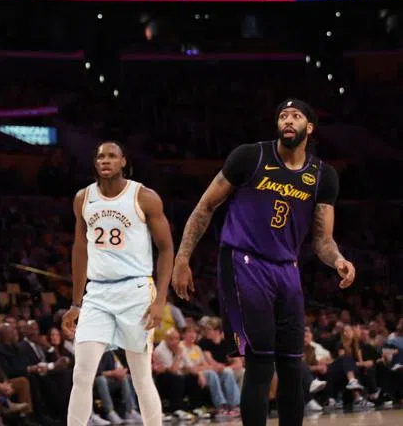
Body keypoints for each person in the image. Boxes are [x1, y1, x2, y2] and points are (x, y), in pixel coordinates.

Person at [172, 99, 356, 426]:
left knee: (291, 366)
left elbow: (323, 240)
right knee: (260, 363)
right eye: (282, 116)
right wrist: (182, 257)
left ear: (309, 128)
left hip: (288, 269)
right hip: (244, 262)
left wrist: (338, 259)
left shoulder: (322, 176)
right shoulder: (250, 156)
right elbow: (205, 206)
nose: (287, 120)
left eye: (296, 116)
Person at [63, 141, 172, 426]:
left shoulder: (144, 197)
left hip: (135, 290)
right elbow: (79, 249)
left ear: (123, 161)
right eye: (100, 156)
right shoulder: (83, 198)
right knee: (82, 373)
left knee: (140, 376)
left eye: (112, 156)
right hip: (97, 292)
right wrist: (76, 302)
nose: (105, 160)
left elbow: (166, 249)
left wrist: (160, 300)